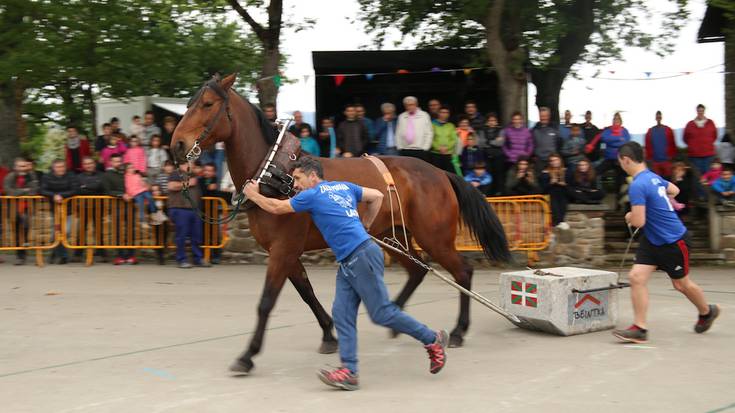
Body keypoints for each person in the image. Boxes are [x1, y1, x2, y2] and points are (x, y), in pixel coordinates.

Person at [242, 156, 449, 391]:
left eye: (298, 179)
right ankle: (349, 372)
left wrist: (254, 194)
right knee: (341, 314)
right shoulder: (343, 185)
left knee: (382, 313)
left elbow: (276, 207)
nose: (295, 185)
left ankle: (432, 339)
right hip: (351, 259)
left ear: (313, 176)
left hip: (361, 257)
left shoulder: (311, 195)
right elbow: (377, 196)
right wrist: (366, 225)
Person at [612, 141, 719, 344]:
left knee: (681, 284)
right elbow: (675, 190)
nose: (620, 166)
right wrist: (660, 202)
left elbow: (638, 221)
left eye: (620, 162)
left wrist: (628, 215)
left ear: (626, 160)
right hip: (653, 240)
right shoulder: (652, 177)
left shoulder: (637, 184)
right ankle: (640, 328)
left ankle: (707, 312)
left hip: (673, 241)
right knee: (636, 277)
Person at [166, 162, 211, 268]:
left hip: (194, 209)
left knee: (197, 235)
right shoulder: (176, 173)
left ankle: (198, 258)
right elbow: (171, 186)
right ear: (183, 164)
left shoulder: (194, 175)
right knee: (181, 236)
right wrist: (188, 183)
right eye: (190, 163)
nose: (193, 165)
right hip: (180, 208)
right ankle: (182, 259)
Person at [3, 157, 40, 265]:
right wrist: (24, 190)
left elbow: (34, 190)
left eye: (24, 166)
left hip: (27, 207)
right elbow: (9, 191)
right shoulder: (9, 177)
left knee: (25, 227)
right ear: (15, 167)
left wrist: (20, 192)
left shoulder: (31, 175)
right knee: (17, 232)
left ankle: (24, 253)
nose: (22, 168)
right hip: (13, 208)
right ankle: (20, 256)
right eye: (20, 166)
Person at [40, 159, 77, 264]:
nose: (60, 169)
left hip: (68, 210)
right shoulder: (47, 177)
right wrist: (54, 195)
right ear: (53, 168)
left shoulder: (71, 175)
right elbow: (42, 190)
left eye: (62, 166)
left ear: (65, 167)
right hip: (54, 210)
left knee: (66, 231)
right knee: (55, 233)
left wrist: (61, 195)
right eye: (58, 167)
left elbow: (75, 190)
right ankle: (63, 256)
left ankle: (55, 254)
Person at [102, 154, 137, 265]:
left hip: (130, 206)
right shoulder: (107, 175)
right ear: (111, 163)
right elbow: (107, 191)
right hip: (116, 206)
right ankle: (120, 256)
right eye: (115, 161)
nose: (118, 163)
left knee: (131, 231)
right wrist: (121, 195)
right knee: (118, 231)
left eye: (119, 161)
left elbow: (134, 185)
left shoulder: (126, 172)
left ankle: (131, 255)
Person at [586, 112, 631, 198]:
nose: (616, 121)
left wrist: (612, 141)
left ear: (621, 121)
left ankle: (619, 200)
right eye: (614, 119)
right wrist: (618, 140)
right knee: (595, 172)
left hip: (620, 160)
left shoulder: (624, 131)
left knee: (622, 178)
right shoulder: (608, 130)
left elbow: (625, 141)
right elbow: (604, 138)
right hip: (608, 159)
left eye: (618, 119)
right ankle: (599, 194)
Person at [76, 156, 108, 262]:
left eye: (90, 163)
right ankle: (78, 253)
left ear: (94, 164)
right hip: (83, 207)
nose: (88, 165)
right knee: (81, 230)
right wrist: (93, 187)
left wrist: (85, 187)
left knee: (99, 230)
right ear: (83, 166)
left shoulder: (102, 175)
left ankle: (101, 253)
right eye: (86, 164)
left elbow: (101, 187)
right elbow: (78, 190)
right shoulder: (79, 177)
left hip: (98, 206)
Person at [124, 163, 165, 229]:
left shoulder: (137, 175)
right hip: (135, 193)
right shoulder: (126, 177)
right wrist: (130, 193)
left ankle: (153, 213)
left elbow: (142, 183)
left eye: (132, 167)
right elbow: (128, 187)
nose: (132, 169)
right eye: (130, 168)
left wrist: (145, 186)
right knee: (141, 204)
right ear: (126, 170)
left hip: (143, 190)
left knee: (150, 197)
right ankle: (142, 221)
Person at [395, 96, 433, 162]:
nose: (410, 107)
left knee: (419, 171)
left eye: (412, 104)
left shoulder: (424, 115)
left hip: (420, 149)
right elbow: (398, 133)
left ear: (416, 104)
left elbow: (429, 132)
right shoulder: (401, 116)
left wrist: (425, 148)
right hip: (405, 149)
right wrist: (400, 147)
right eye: (407, 105)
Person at [683, 104, 718, 174]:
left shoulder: (710, 123)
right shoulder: (690, 124)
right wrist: (693, 146)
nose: (700, 112)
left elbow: (714, 136)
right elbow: (685, 138)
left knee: (709, 176)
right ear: (697, 111)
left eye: (702, 111)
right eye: (699, 111)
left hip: (708, 155)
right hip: (694, 156)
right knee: (696, 176)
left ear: (704, 111)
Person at [645, 111, 677, 177]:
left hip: (667, 160)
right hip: (655, 161)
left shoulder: (668, 130)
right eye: (657, 116)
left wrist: (672, 157)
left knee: (668, 180)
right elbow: (647, 146)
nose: (658, 118)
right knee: (657, 181)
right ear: (655, 118)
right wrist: (649, 159)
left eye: (659, 116)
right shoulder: (650, 131)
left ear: (661, 117)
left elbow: (673, 144)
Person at [539, 154, 569, 227]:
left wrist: (564, 184)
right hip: (551, 195)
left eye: (556, 160)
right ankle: (560, 221)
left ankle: (559, 221)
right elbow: (542, 190)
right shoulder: (545, 173)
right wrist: (550, 183)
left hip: (564, 194)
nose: (554, 162)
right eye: (552, 161)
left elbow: (571, 186)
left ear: (560, 161)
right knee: (554, 191)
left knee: (560, 191)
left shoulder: (566, 171)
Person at [532, 107, 561, 175]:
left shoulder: (554, 128)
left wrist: (556, 156)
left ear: (549, 116)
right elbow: (532, 144)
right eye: (541, 116)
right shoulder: (535, 129)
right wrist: (534, 156)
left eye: (545, 116)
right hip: (539, 160)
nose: (543, 118)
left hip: (552, 160)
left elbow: (559, 143)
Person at [430, 106, 459, 173]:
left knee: (448, 174)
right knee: (436, 173)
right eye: (442, 112)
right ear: (438, 113)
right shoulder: (433, 125)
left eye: (446, 112)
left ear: (448, 114)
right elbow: (431, 138)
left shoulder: (451, 126)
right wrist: (438, 148)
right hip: (436, 154)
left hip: (448, 154)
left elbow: (454, 139)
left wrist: (446, 148)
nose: (444, 114)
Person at [483, 113, 506, 195]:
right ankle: (489, 192)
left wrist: (489, 141)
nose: (492, 122)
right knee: (488, 175)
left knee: (498, 175)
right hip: (487, 156)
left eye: (494, 120)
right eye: (490, 120)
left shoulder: (501, 130)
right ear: (487, 122)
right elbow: (482, 143)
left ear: (497, 122)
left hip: (498, 156)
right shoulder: (483, 130)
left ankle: (499, 192)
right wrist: (494, 141)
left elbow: (500, 143)